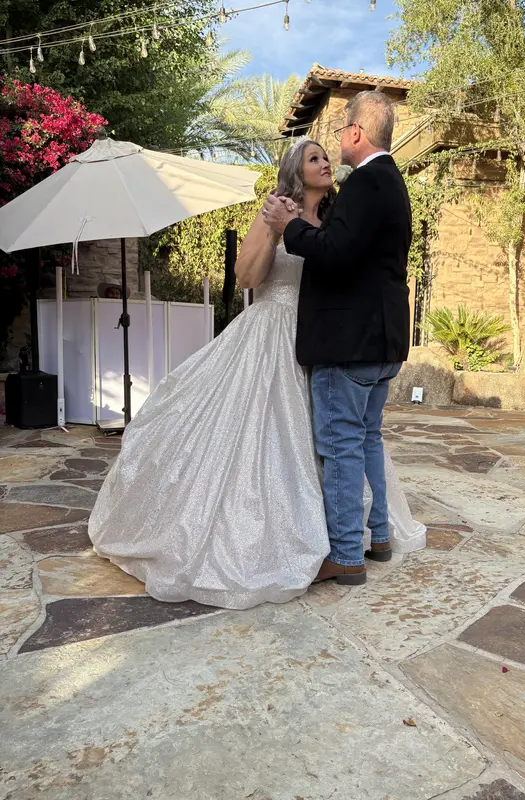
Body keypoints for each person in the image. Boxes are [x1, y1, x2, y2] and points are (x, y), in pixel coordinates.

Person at [88, 136, 425, 611]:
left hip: (325, 339)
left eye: (326, 156)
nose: (325, 162)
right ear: (294, 170)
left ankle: (354, 535)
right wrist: (272, 231)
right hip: (271, 331)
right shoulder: (273, 212)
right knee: (271, 437)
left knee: (340, 439)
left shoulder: (338, 216)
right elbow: (247, 277)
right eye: (314, 158)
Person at [262, 91, 414, 586]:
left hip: (350, 343)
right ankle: (379, 535)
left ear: (355, 133)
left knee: (341, 445)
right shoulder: (392, 181)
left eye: (340, 132)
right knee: (366, 439)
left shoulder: (367, 181)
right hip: (382, 341)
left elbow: (335, 251)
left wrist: (289, 226)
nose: (335, 145)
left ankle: (347, 554)